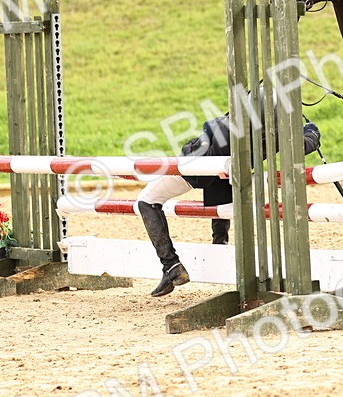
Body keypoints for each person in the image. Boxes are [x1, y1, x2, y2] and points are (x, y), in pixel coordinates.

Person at [136, 112, 321, 297]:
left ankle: (171, 266)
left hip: (203, 162)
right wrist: (311, 133)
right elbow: (300, 146)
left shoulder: (256, 109)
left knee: (146, 201)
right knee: (224, 189)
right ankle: (220, 244)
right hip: (227, 172)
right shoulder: (281, 128)